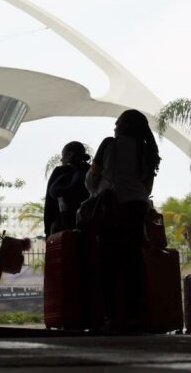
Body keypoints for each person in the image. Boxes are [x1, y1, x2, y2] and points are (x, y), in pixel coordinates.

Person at [86, 109, 160, 331]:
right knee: (132, 260)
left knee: (108, 260)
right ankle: (134, 315)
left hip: (113, 205)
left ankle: (111, 316)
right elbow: (147, 186)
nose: (114, 127)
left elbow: (92, 179)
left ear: (125, 125)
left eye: (117, 123)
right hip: (136, 206)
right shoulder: (146, 149)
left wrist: (95, 193)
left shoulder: (109, 144)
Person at [43, 141, 91, 237]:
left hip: (61, 226)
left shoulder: (60, 171)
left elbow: (49, 204)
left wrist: (47, 231)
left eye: (63, 155)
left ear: (69, 154)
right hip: (87, 226)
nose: (61, 159)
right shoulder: (90, 171)